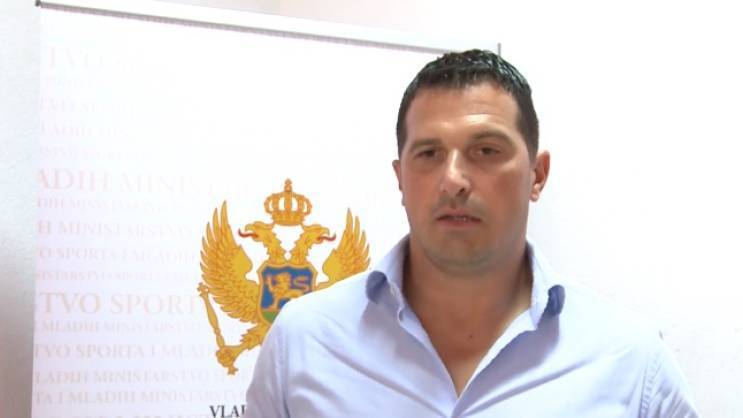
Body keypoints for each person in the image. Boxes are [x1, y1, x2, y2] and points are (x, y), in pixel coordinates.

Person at [243, 49, 699, 417]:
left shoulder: (630, 362)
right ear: (400, 179)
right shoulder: (303, 344)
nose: (453, 180)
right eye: (429, 153)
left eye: (486, 150)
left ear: (537, 175)